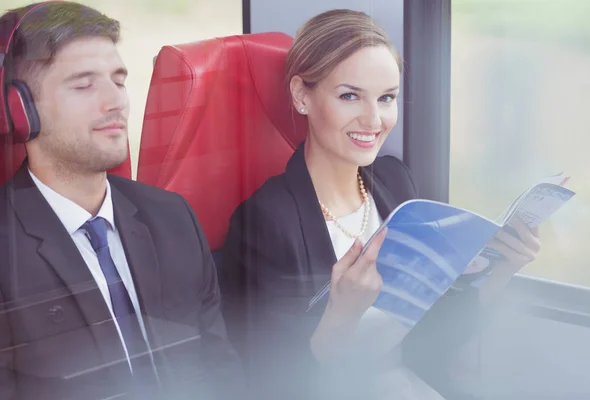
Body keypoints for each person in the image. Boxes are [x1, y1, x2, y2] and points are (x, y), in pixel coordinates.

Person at [220, 9, 541, 400]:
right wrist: (342, 314)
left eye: (386, 98)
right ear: (302, 95)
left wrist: (501, 271)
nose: (374, 120)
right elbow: (274, 382)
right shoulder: (266, 221)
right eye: (350, 96)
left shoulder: (394, 182)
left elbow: (432, 337)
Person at [0, 2, 244, 399]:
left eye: (118, 79)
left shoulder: (173, 218)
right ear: (20, 110)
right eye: (84, 84)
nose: (116, 102)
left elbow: (219, 369)